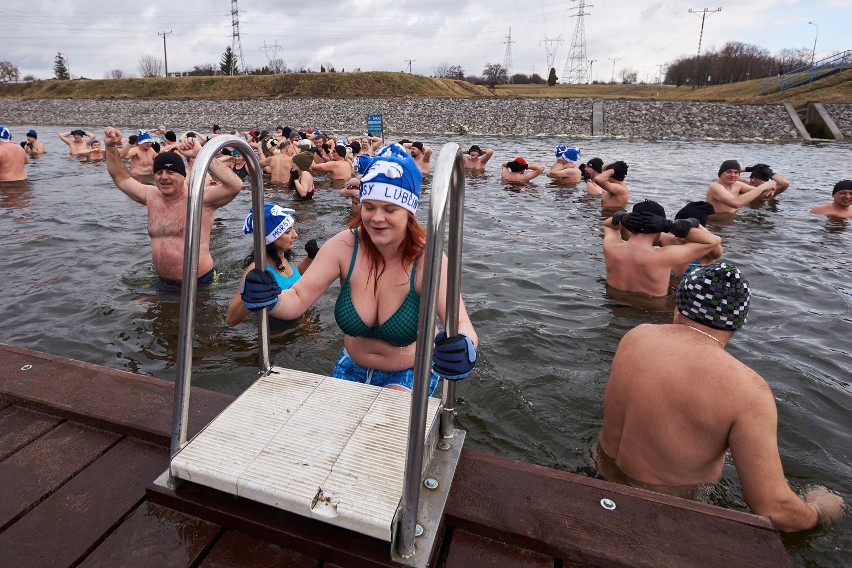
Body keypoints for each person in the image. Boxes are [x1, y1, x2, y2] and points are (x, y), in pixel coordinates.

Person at [596, 262, 845, 532]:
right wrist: (819, 510)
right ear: (738, 323)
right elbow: (775, 509)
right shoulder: (748, 390)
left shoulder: (636, 336)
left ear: (679, 305)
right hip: (659, 517)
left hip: (594, 481)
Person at [240, 143, 478, 395]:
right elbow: (298, 298)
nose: (376, 218)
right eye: (369, 206)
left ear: (409, 212)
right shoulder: (343, 246)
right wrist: (269, 297)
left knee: (384, 424)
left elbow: (461, 322)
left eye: (389, 209)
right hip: (351, 364)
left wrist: (464, 347)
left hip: (410, 370)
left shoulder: (426, 258)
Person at [103, 126, 243, 285]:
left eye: (170, 172)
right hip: (162, 280)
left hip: (198, 282)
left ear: (183, 176)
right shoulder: (151, 195)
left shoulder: (199, 198)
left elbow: (235, 185)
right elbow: (121, 178)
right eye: (159, 172)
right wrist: (110, 146)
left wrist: (201, 154)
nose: (163, 177)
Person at [602, 200, 721, 297]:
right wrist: (670, 226)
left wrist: (624, 217)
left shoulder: (611, 247)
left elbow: (609, 225)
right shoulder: (664, 256)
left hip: (614, 306)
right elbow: (714, 240)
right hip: (653, 313)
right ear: (660, 226)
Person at [227, 204, 318, 326]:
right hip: (279, 336)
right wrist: (249, 296)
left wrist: (310, 258)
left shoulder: (284, 257)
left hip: (297, 320)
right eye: (287, 232)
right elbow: (231, 320)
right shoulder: (257, 269)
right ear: (271, 239)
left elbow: (295, 276)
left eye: (293, 229)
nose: (295, 235)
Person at [658, 201, 723, 280]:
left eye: (683, 228)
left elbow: (717, 247)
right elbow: (648, 235)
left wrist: (696, 224)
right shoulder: (669, 240)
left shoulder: (707, 250)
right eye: (677, 225)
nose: (678, 232)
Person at [706, 160, 777, 214]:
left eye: (736, 172)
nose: (733, 175)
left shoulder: (738, 185)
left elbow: (760, 193)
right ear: (721, 173)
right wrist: (763, 187)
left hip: (733, 221)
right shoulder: (715, 187)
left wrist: (772, 187)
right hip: (717, 223)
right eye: (729, 171)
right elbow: (736, 203)